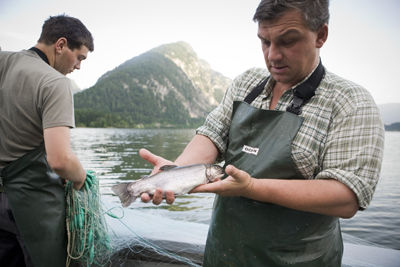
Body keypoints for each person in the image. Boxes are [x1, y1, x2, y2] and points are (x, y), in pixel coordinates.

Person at [138, 0, 385, 266]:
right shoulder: (246, 83)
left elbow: (346, 198)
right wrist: (176, 172)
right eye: (265, 41)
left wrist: (252, 188)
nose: (273, 56)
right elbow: (212, 134)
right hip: (223, 256)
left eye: (288, 41)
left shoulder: (351, 101)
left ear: (321, 35)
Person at [0, 15, 94, 267]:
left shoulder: (3, 61)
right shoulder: (55, 83)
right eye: (80, 57)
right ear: (61, 45)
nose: (78, 67)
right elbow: (60, 160)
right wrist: (81, 176)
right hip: (33, 208)